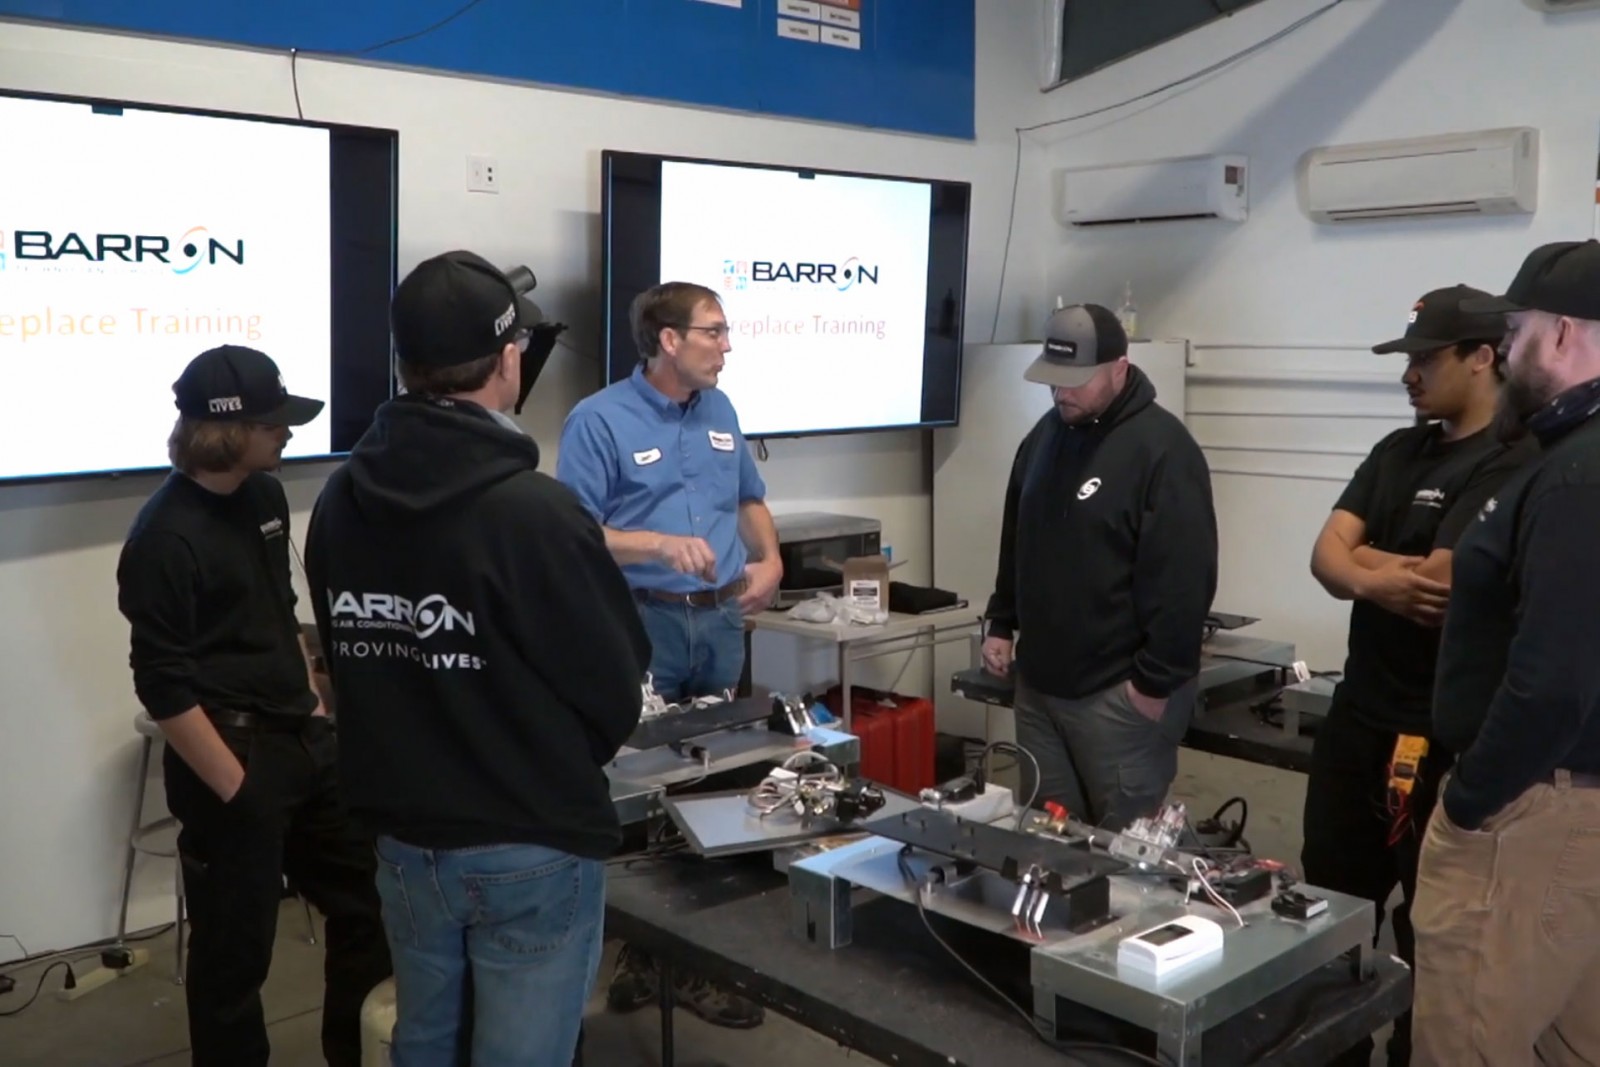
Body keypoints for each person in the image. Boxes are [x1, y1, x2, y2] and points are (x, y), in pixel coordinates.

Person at [304, 251, 650, 1067]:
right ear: (508, 359)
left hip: (404, 837)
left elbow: (345, 665)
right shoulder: (536, 513)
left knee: (426, 1039)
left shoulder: (341, 501)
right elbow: (613, 687)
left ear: (405, 365)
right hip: (529, 834)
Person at [115, 345, 391, 1067]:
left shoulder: (264, 497)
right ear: (226, 431)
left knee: (370, 905)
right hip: (231, 757)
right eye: (273, 424)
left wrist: (314, 704)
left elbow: (279, 608)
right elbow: (162, 685)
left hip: (304, 742)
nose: (287, 433)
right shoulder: (164, 538)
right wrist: (238, 791)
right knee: (234, 959)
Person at [1302, 285, 1534, 1067]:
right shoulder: (1397, 452)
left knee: (1429, 928)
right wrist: (1371, 573)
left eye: (1425, 359)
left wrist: (1359, 563)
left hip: (1436, 739)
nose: (1409, 374)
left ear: (1483, 356)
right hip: (1357, 720)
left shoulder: (1512, 459)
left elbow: (1437, 584)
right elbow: (1323, 556)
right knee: (1330, 909)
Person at [556, 281, 778, 1029]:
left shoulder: (721, 410)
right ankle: (637, 950)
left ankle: (697, 960)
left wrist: (771, 558)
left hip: (718, 622)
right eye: (714, 331)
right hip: (639, 623)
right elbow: (574, 533)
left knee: (719, 786)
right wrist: (653, 543)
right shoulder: (598, 420)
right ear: (668, 339)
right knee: (637, 787)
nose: (726, 345)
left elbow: (747, 498)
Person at [1412, 240, 1600, 1066]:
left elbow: (1553, 681)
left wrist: (1470, 803)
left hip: (1531, 817)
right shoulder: (1565, 459)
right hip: (1569, 810)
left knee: (1467, 1043)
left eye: (1516, 331)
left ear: (1562, 334)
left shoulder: (1577, 476)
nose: (1505, 349)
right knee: (1570, 1043)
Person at [980, 303, 1218, 831]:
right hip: (1040, 689)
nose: (1061, 393)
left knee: (1123, 850)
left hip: (1117, 697)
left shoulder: (1163, 451)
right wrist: (1001, 621)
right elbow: (1019, 538)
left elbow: (1185, 581)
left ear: (1119, 368)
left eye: (1076, 380)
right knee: (1048, 839)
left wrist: (1152, 686)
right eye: (1053, 380)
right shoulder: (1044, 438)